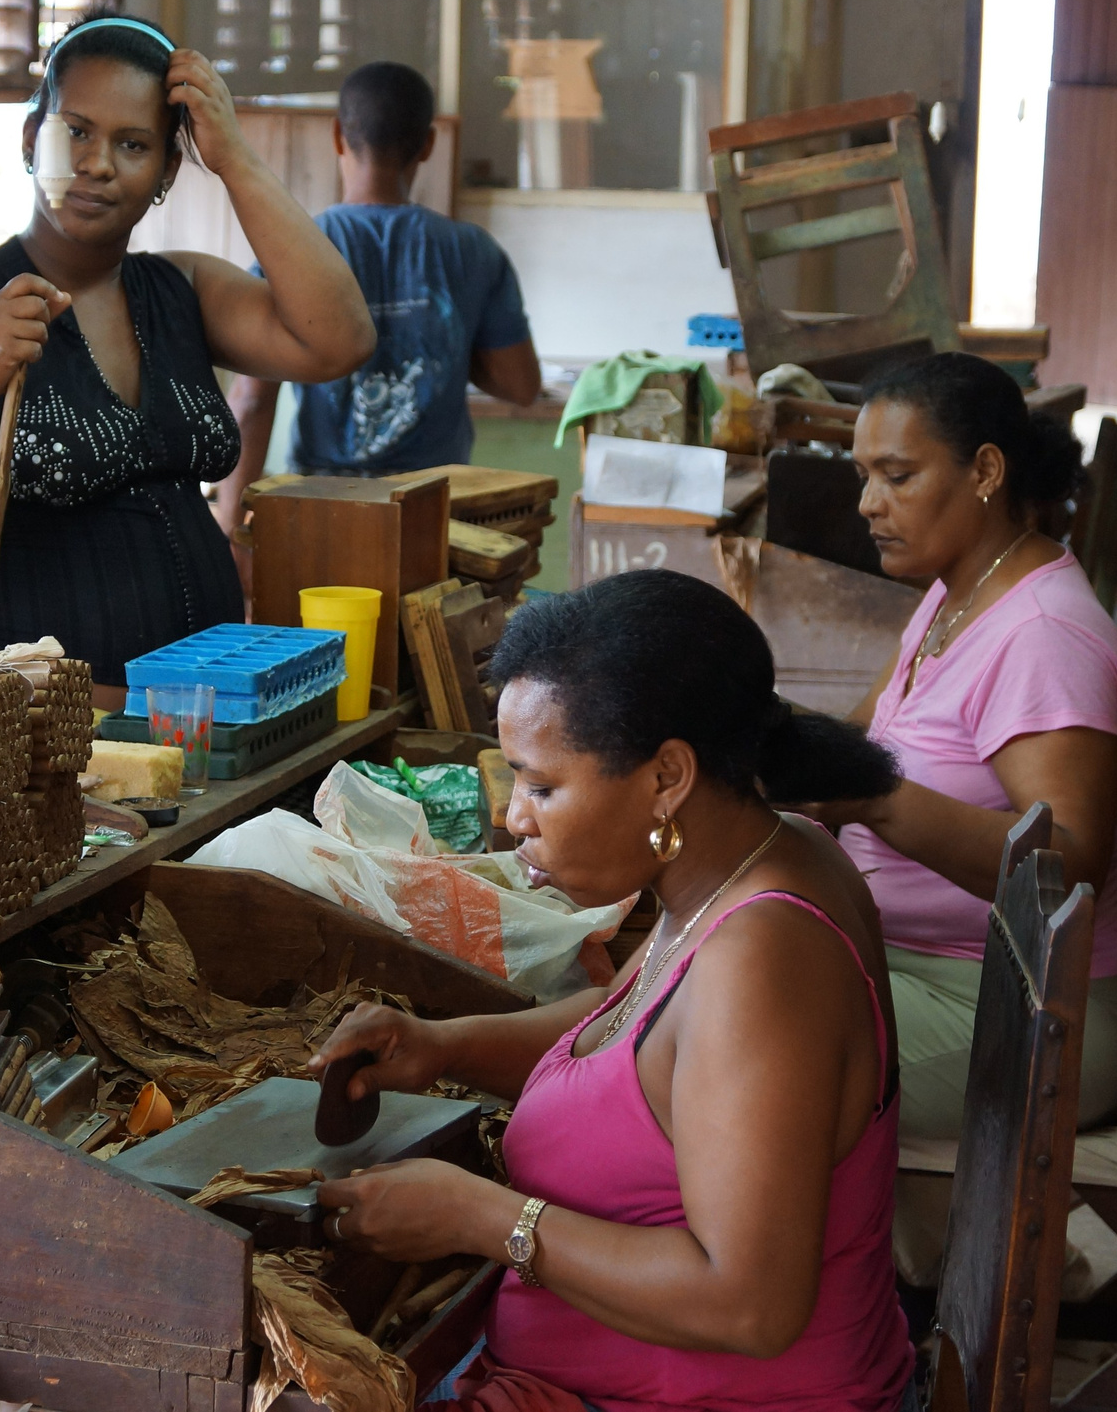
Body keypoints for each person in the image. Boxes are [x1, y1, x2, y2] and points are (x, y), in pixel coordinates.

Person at [307, 569, 915, 1412]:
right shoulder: (750, 864)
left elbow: (751, 1304)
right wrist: (443, 1044)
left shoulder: (761, 957)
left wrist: (484, 1218)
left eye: (541, 785)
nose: (514, 817)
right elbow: (626, 1031)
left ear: (667, 776)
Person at [0, 11, 375, 706]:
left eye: (133, 144)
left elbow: (340, 340)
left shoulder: (185, 288)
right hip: (37, 732)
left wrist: (234, 159)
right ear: (30, 139)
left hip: (207, 723)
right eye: (75, 131)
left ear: (166, 171)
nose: (98, 163)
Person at [805, 352, 1117, 1147]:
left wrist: (873, 800)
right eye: (864, 475)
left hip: (1037, 1003)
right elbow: (864, 735)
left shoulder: (1041, 635)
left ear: (986, 471)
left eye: (897, 475)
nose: (868, 503)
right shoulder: (954, 591)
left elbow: (1068, 861)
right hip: (933, 965)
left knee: (737, 1059)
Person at [221, 61, 540, 513]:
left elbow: (252, 401)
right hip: (434, 511)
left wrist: (230, 526)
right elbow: (522, 386)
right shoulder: (474, 252)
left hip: (322, 507)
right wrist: (448, 347)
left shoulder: (292, 250)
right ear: (427, 144)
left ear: (338, 136)